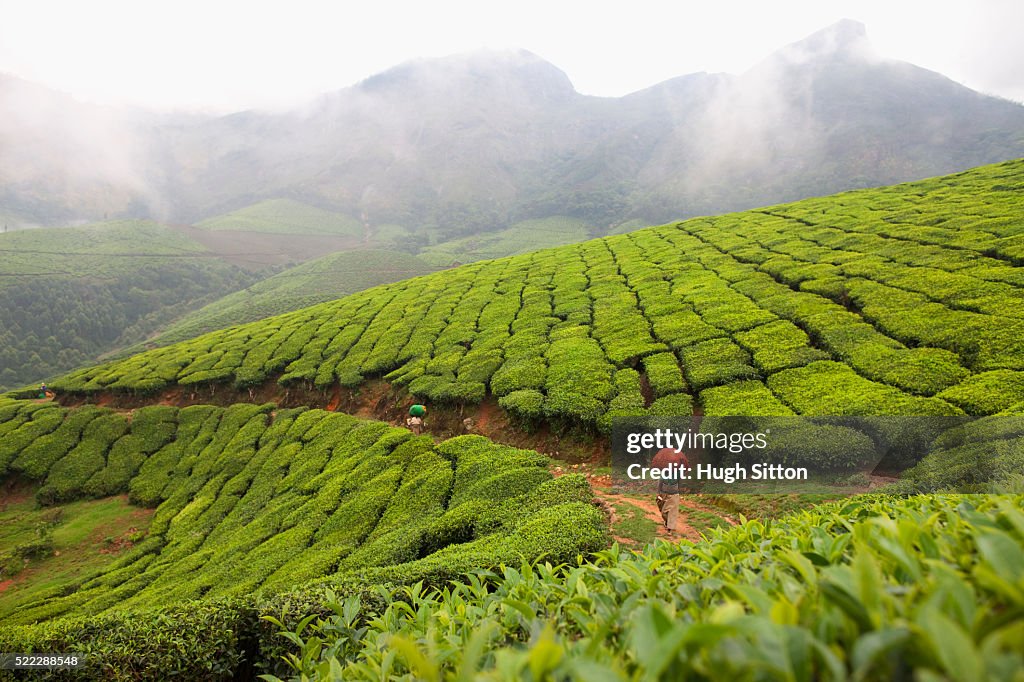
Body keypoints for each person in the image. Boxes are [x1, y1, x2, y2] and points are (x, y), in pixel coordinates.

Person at [651, 447, 688, 533]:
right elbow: (659, 484)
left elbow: (680, 480)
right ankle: (667, 522)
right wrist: (658, 494)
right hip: (664, 494)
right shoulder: (663, 474)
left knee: (672, 512)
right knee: (664, 511)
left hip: (674, 494)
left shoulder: (678, 473)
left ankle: (670, 528)